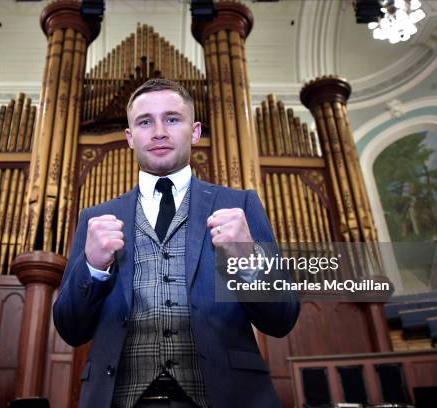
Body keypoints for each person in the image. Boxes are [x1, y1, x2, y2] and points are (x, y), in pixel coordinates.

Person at [54, 78, 300, 408]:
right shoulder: (95, 219)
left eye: (172, 119)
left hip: (227, 398)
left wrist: (248, 260)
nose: (158, 132)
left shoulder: (240, 205)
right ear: (130, 137)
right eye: (145, 122)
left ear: (194, 131)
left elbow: (282, 319)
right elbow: (70, 330)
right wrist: (94, 269)